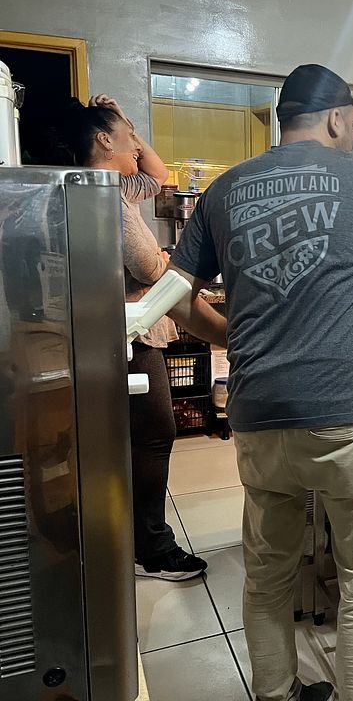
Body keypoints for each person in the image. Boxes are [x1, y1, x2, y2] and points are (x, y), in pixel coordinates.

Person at [169, 64, 353, 701]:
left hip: (259, 413)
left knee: (267, 574)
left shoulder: (224, 189)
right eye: (352, 122)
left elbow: (176, 299)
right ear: (339, 118)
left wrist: (231, 337)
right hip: (348, 412)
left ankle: (276, 693)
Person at [58, 95, 227, 580]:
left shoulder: (115, 188)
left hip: (125, 331)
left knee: (134, 436)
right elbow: (151, 267)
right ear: (103, 141)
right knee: (155, 433)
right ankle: (151, 548)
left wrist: (127, 121)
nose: (136, 145)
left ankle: (125, 537)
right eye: (128, 137)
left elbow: (158, 174)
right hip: (130, 334)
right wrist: (170, 260)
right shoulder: (107, 198)